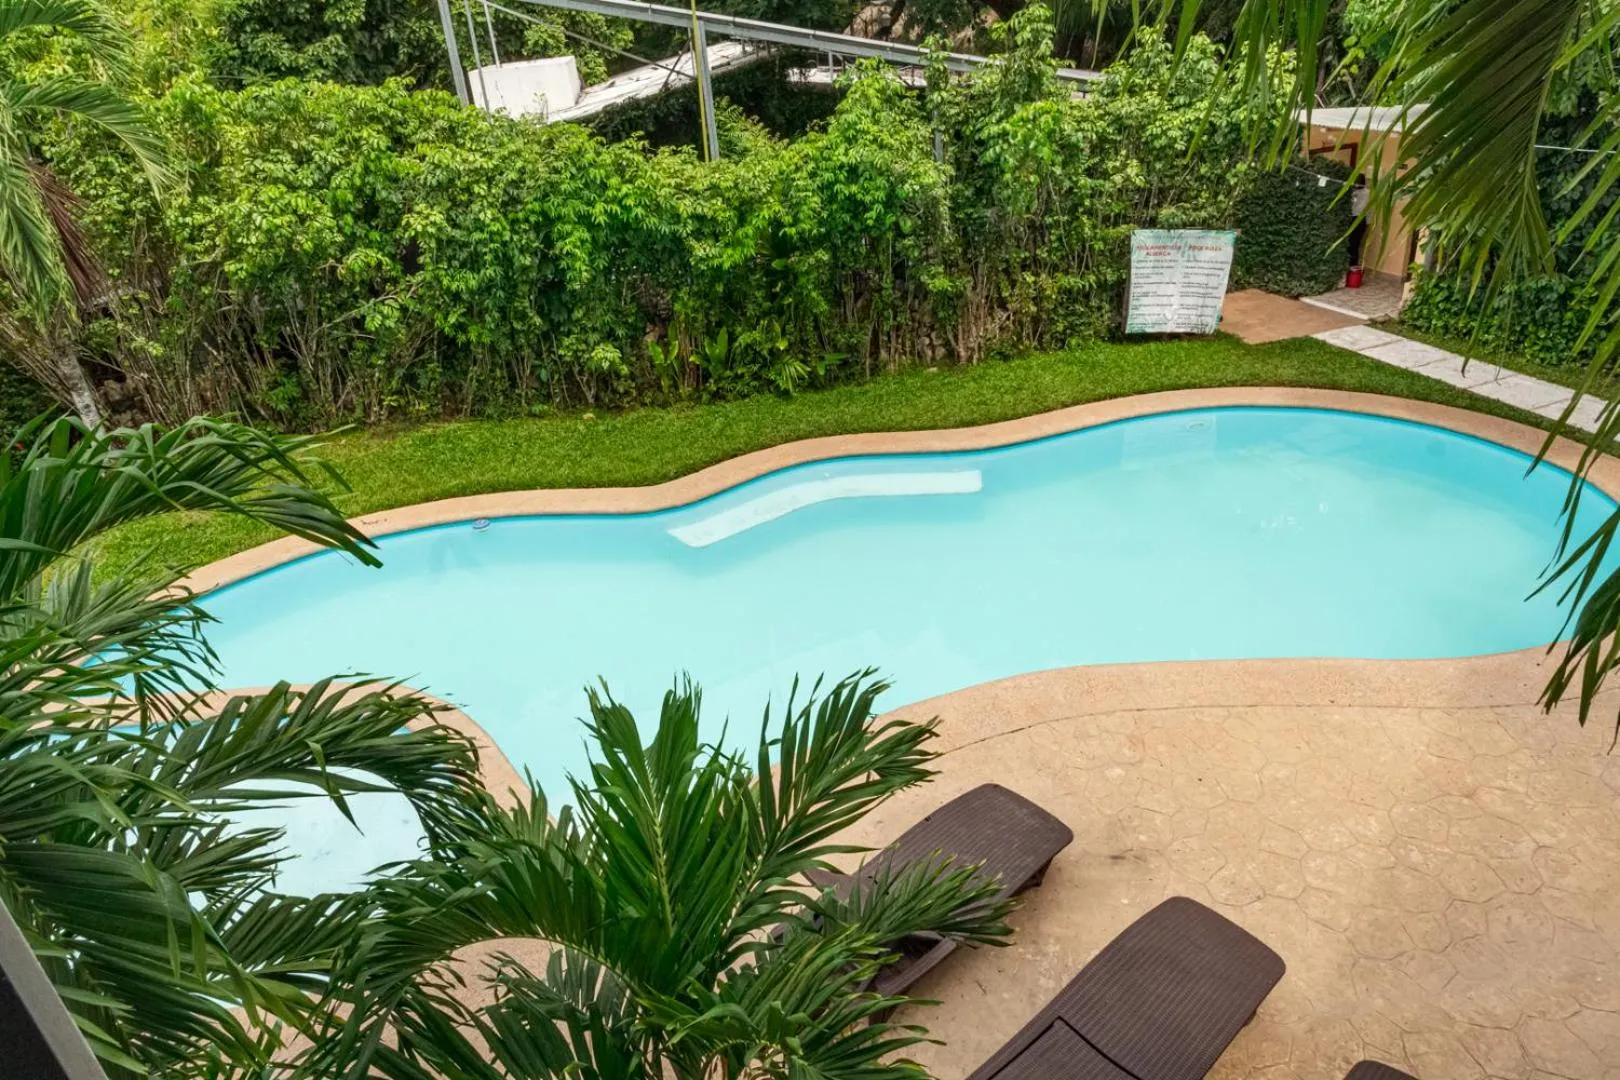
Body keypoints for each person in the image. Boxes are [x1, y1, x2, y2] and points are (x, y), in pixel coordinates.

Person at [1349, 174, 1370, 268]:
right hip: (1360, 219)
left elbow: (1369, 208)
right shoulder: (1364, 192)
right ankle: (1352, 265)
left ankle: (1352, 266)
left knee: (1353, 244)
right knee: (1355, 244)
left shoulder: (1362, 192)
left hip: (1358, 218)